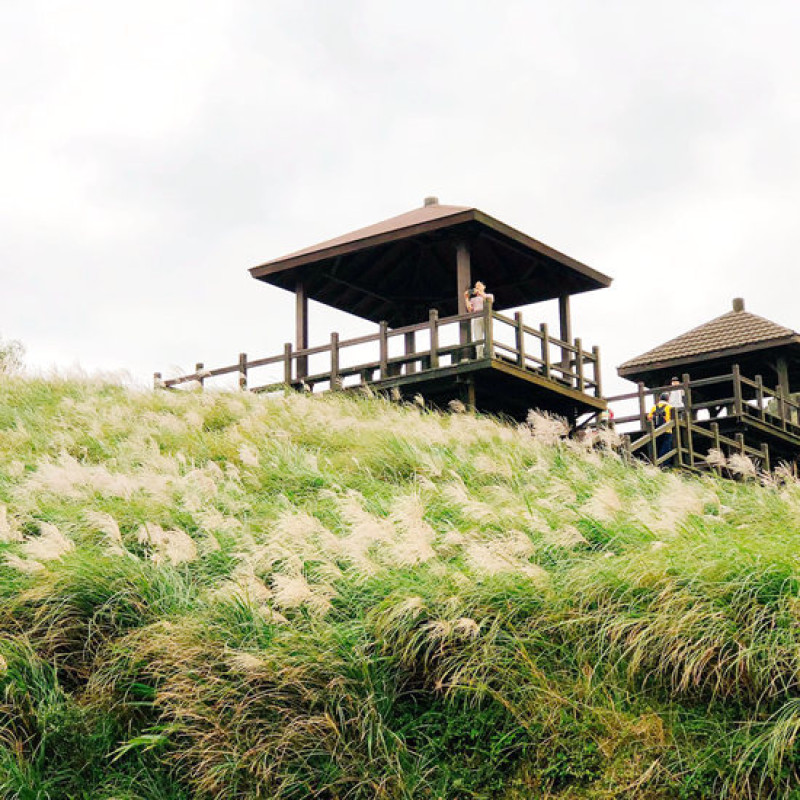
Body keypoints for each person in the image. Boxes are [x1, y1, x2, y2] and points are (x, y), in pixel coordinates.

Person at [464, 281, 494, 358]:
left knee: (489, 335)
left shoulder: (489, 295)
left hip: (486, 316)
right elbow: (470, 309)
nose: (477, 287)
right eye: (476, 286)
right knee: (478, 337)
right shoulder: (473, 299)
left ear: (484, 287)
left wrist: (480, 293)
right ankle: (479, 355)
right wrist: (466, 297)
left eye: (479, 285)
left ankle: (491, 354)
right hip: (477, 317)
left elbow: (489, 300)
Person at [647, 392, 674, 464]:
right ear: (668, 399)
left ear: (659, 399)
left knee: (658, 447)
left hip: (656, 430)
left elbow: (649, 418)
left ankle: (657, 462)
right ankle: (664, 463)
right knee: (666, 447)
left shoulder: (654, 407)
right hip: (667, 430)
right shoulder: (670, 407)